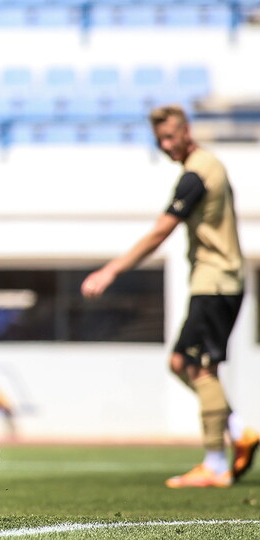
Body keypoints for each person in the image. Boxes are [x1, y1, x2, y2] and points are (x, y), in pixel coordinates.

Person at [81, 104, 258, 488]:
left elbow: (160, 232)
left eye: (169, 137)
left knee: (200, 366)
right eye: (159, 139)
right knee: (180, 361)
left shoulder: (197, 174)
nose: (165, 145)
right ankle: (240, 430)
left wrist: (111, 269)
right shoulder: (206, 165)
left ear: (186, 131)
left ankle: (214, 464)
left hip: (216, 282)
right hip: (213, 282)